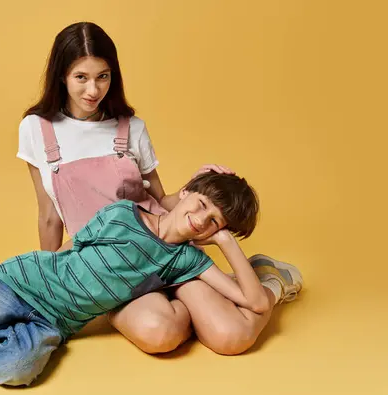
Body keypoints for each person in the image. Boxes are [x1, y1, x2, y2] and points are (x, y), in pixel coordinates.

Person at [0, 172, 301, 386]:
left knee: (19, 372)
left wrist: (227, 244)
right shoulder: (124, 214)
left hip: (55, 323)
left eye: (214, 222)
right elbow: (72, 253)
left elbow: (256, 303)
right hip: (23, 283)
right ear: (186, 193)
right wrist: (40, 270)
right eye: (201, 205)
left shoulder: (188, 263)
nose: (201, 221)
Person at [18, 21, 302, 356]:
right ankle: (217, 300)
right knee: (159, 334)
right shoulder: (37, 129)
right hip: (109, 266)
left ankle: (270, 282)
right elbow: (49, 216)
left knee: (233, 337)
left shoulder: (131, 128)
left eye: (103, 76)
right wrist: (50, 282)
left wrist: (196, 187)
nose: (93, 90)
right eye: (81, 77)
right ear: (61, 75)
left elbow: (161, 200)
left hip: (170, 250)